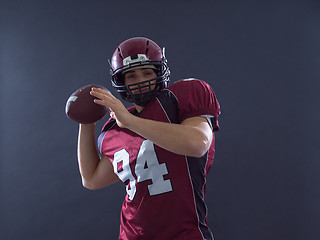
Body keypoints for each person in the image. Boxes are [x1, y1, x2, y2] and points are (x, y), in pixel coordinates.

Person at [77, 37, 221, 240]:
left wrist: (129, 121)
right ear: (121, 81)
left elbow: (198, 143)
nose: (141, 81)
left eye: (147, 72)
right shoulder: (115, 126)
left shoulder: (181, 97)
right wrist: (86, 120)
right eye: (131, 76)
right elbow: (91, 179)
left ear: (160, 72)